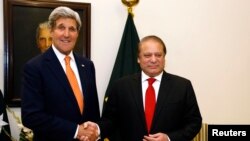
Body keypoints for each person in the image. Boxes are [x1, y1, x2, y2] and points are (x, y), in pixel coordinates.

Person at [88, 35, 202, 141]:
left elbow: (194, 122)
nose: (153, 60)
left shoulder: (182, 86)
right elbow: (110, 121)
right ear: (138, 58)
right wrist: (96, 129)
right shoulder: (121, 86)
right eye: (147, 55)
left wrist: (169, 138)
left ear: (164, 57)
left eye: (158, 55)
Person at [21, 6, 100, 141]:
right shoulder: (34, 67)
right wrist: (76, 131)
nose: (66, 34)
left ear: (77, 33)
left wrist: (94, 131)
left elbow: (93, 111)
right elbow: (31, 116)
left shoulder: (87, 65)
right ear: (51, 31)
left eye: (72, 29)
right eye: (61, 27)